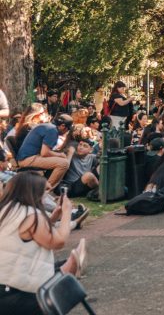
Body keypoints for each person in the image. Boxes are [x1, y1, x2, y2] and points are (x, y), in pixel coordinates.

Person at [0, 173, 87, 314]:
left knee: (51, 265)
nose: (47, 195)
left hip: (5, 290)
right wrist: (67, 213)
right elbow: (58, 242)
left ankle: (63, 269)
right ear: (32, 192)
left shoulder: (7, 210)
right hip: (16, 295)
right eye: (45, 190)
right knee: (60, 292)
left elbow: (29, 236)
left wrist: (53, 218)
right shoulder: (31, 215)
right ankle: (64, 271)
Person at [16, 114, 75, 190]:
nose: (67, 132)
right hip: (27, 159)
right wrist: (60, 155)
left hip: (28, 157)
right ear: (62, 126)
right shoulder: (53, 130)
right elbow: (45, 153)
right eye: (68, 129)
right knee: (64, 163)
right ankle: (46, 190)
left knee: (61, 161)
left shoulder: (48, 126)